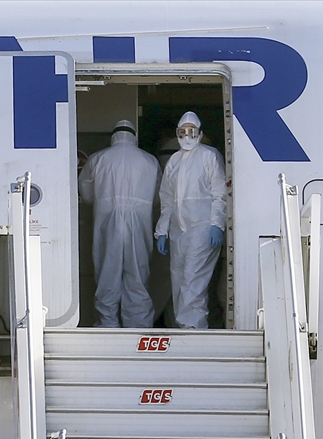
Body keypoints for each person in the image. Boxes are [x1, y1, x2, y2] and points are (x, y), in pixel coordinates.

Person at [78, 119, 160, 328]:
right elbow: (160, 196)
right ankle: (139, 329)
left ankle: (107, 327)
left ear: (113, 136)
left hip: (107, 221)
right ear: (134, 135)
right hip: (139, 222)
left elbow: (86, 192)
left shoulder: (98, 159)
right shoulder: (150, 161)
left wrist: (102, 201)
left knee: (107, 276)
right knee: (138, 277)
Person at [155, 111, 227, 329]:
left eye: (191, 131)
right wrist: (162, 230)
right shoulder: (174, 161)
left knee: (192, 280)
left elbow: (220, 193)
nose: (187, 136)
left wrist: (217, 224)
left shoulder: (209, 156)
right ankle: (183, 328)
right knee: (178, 281)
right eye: (183, 131)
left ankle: (193, 331)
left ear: (200, 132)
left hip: (202, 228)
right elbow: (166, 198)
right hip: (179, 231)